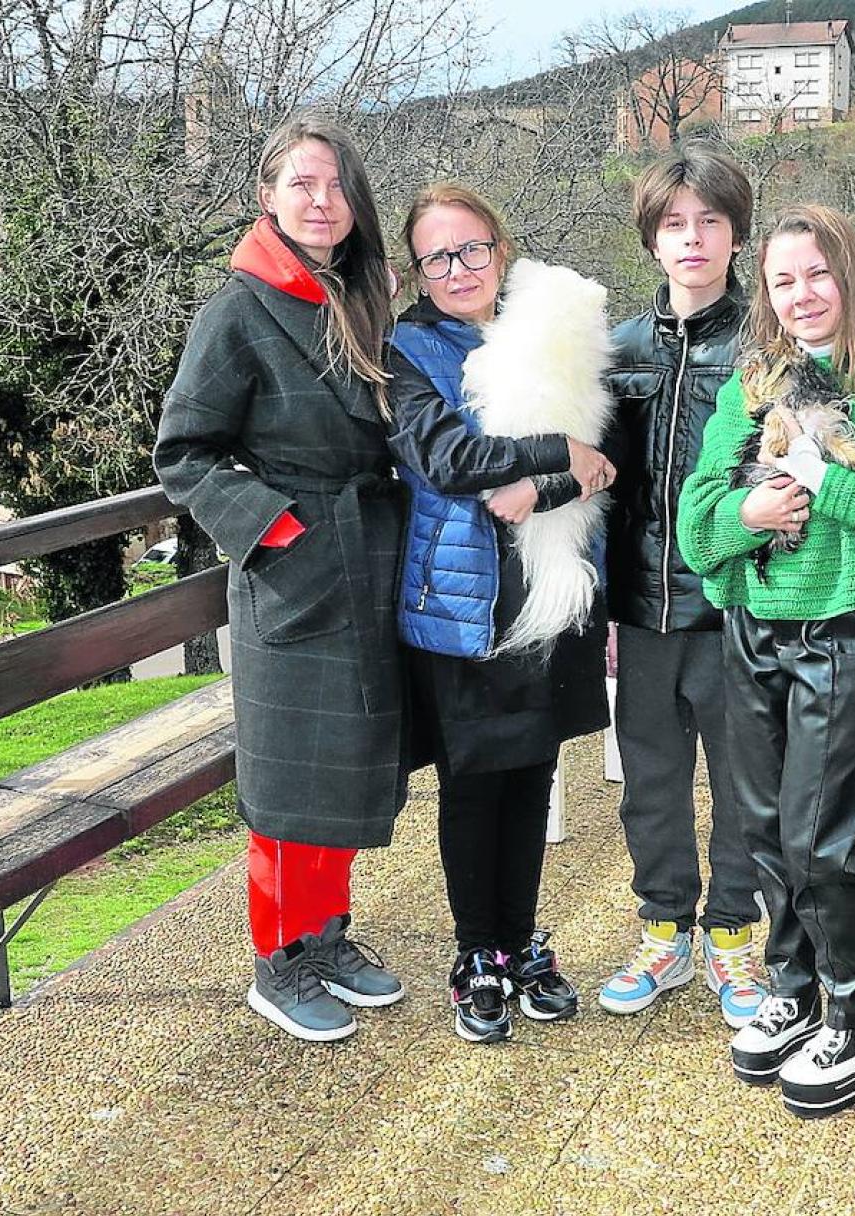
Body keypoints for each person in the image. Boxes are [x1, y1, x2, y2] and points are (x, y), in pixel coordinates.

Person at [676, 203, 855, 1119]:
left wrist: (816, 472)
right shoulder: (748, 384)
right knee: (759, 827)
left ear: (852, 276)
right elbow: (697, 523)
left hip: (844, 629)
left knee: (818, 837)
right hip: (754, 623)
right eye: (783, 279)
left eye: (818, 273)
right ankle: (791, 989)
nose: (802, 295)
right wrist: (748, 516)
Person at [154, 115, 408, 1044]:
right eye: (302, 184)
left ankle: (327, 933)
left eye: (335, 186)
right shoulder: (238, 309)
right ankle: (277, 959)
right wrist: (280, 532)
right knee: (284, 781)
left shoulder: (356, 293)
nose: (321, 201)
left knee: (340, 769)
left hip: (366, 561)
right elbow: (184, 453)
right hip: (294, 573)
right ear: (267, 196)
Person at [387, 183, 613, 1044]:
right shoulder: (407, 350)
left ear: (500, 248)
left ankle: (518, 943)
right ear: (419, 271)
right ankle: (476, 949)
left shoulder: (547, 328)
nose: (458, 269)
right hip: (464, 602)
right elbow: (445, 457)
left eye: (472, 248)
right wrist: (555, 451)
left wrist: (543, 479)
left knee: (530, 778)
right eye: (438, 256)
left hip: (548, 594)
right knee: (475, 782)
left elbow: (603, 456)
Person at [598, 146, 767, 1029]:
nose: (692, 239)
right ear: (652, 242)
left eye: (709, 220)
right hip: (641, 604)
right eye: (674, 224)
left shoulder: (767, 347)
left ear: (736, 233)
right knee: (650, 780)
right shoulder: (617, 347)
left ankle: (734, 936)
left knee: (744, 779)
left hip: (738, 602)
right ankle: (664, 928)